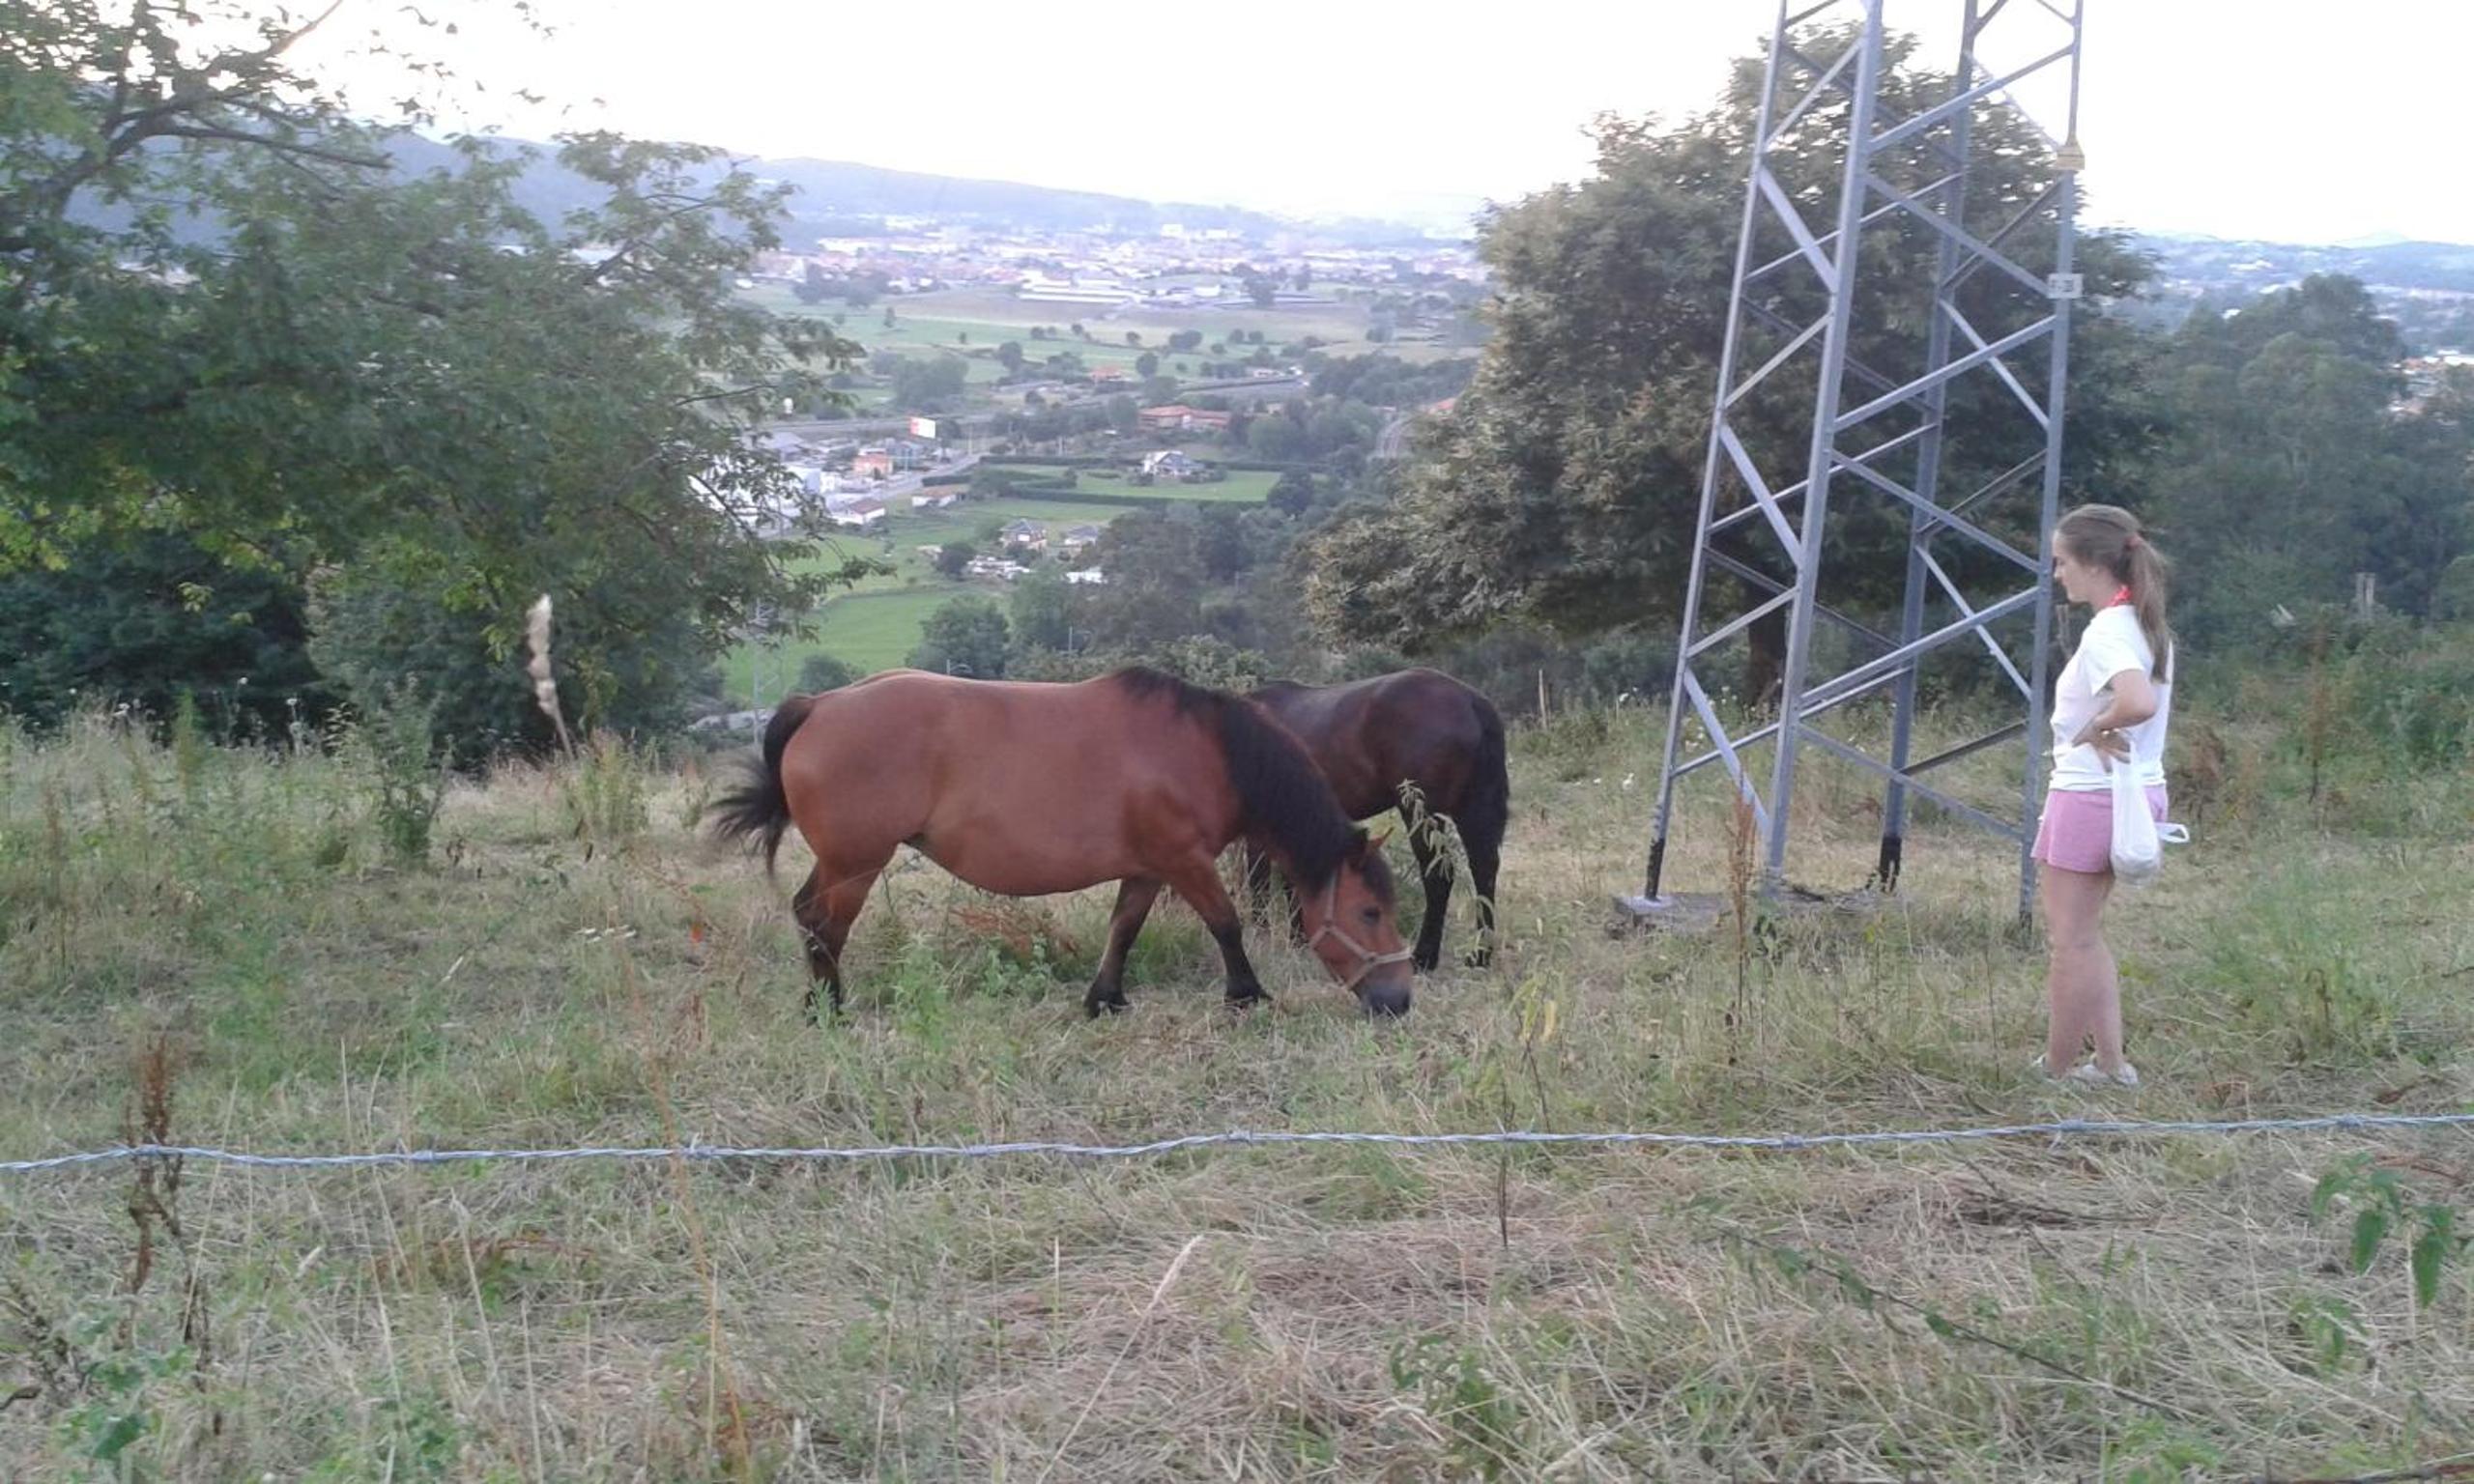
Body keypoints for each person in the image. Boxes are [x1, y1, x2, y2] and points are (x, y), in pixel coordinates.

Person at [2032, 503, 2174, 1087]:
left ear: (2093, 563)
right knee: (2086, 938)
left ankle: (2056, 1068)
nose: (2057, 574)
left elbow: (2137, 701)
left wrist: (2097, 726)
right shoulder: (2144, 623)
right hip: (2131, 791)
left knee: (2070, 942)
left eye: (2062, 562)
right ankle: (2110, 1065)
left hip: (2093, 795)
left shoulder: (2109, 630)